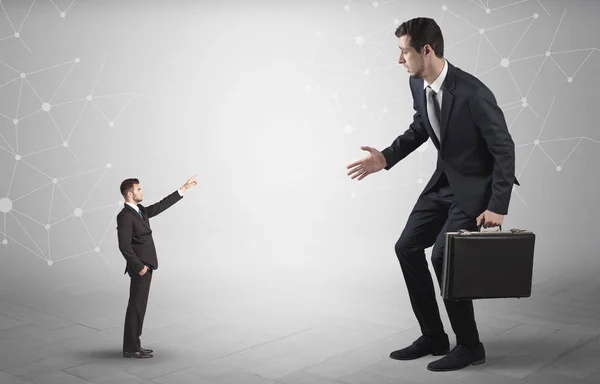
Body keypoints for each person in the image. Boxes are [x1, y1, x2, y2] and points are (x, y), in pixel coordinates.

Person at [346, 17, 518, 372]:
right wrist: (385, 157)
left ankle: (470, 345)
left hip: (473, 189)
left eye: (403, 52)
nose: (399, 60)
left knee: (444, 256)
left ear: (426, 51)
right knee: (406, 247)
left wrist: (497, 206)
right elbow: (421, 126)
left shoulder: (473, 93)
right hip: (442, 183)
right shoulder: (416, 82)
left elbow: (504, 149)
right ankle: (434, 337)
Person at [117, 175, 197, 358]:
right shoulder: (124, 216)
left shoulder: (140, 211)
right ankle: (130, 348)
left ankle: (134, 345)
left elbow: (161, 205)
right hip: (140, 268)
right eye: (138, 189)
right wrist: (139, 267)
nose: (141, 191)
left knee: (140, 307)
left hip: (148, 266)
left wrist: (183, 188)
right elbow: (124, 246)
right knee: (136, 307)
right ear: (129, 194)